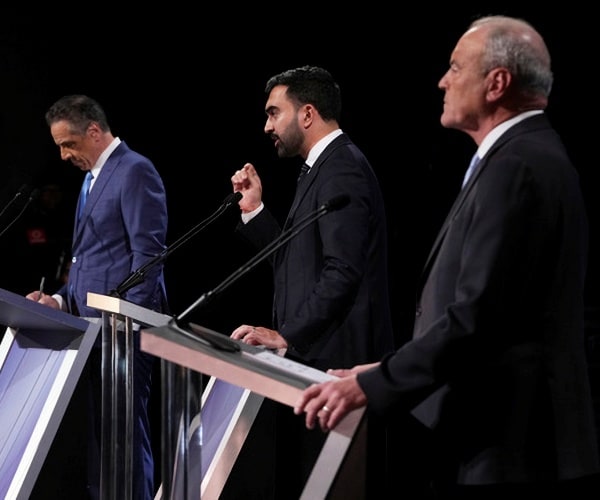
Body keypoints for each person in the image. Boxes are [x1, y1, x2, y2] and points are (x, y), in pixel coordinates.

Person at [294, 15, 600, 499]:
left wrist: (373, 384)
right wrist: (381, 369)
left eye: (456, 68)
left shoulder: (518, 165)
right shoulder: (520, 156)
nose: (443, 81)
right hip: (503, 440)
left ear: (497, 83)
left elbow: (478, 319)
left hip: (510, 448)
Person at [228, 65, 395, 498]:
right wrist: (255, 210)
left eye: (273, 113)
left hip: (337, 366)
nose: (267, 126)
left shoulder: (342, 169)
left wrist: (287, 335)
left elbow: (343, 271)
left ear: (306, 113)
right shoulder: (320, 169)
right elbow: (299, 263)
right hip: (316, 364)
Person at [26, 94, 169, 500]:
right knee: (103, 442)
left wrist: (128, 322)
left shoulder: (134, 170)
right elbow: (88, 260)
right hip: (92, 331)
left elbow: (148, 256)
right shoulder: (92, 178)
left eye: (68, 144)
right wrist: (59, 300)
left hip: (123, 334)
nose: (63, 155)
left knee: (125, 439)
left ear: (93, 131)